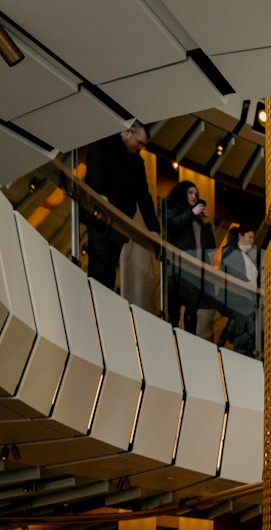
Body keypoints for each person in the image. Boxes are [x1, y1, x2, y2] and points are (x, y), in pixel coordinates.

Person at [82, 122, 160, 292]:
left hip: (119, 223)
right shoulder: (104, 143)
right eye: (139, 142)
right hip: (99, 215)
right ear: (127, 132)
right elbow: (95, 166)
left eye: (143, 145)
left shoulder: (138, 164)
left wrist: (154, 229)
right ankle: (93, 299)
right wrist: (101, 196)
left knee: (110, 265)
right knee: (99, 258)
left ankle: (103, 305)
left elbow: (144, 197)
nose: (140, 148)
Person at [163, 181, 213, 332]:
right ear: (181, 192)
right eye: (190, 193)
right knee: (174, 309)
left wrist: (206, 223)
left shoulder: (197, 218)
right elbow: (171, 225)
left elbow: (211, 246)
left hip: (195, 271)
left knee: (192, 312)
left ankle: (189, 341)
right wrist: (191, 213)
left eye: (196, 194)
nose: (194, 196)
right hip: (178, 267)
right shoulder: (171, 205)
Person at [220, 226, 261, 356]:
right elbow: (230, 270)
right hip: (239, 298)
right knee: (242, 336)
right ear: (240, 236)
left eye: (253, 238)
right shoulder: (230, 251)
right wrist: (246, 283)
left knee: (247, 334)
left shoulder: (250, 258)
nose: (252, 240)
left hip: (251, 301)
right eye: (249, 237)